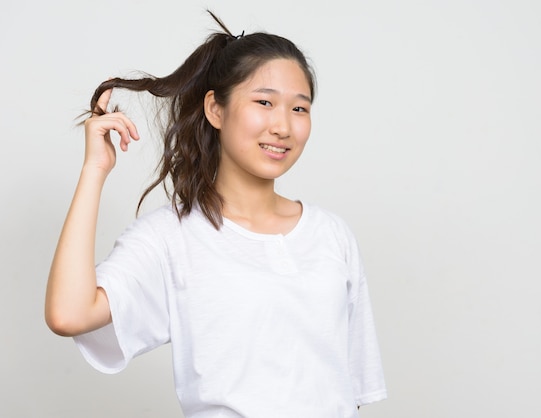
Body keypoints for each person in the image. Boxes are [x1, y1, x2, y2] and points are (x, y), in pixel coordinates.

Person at [45, 10, 386, 418]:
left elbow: (349, 392)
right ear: (216, 110)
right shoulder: (171, 237)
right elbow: (69, 313)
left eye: (300, 109)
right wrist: (94, 171)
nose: (283, 126)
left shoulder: (332, 235)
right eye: (264, 102)